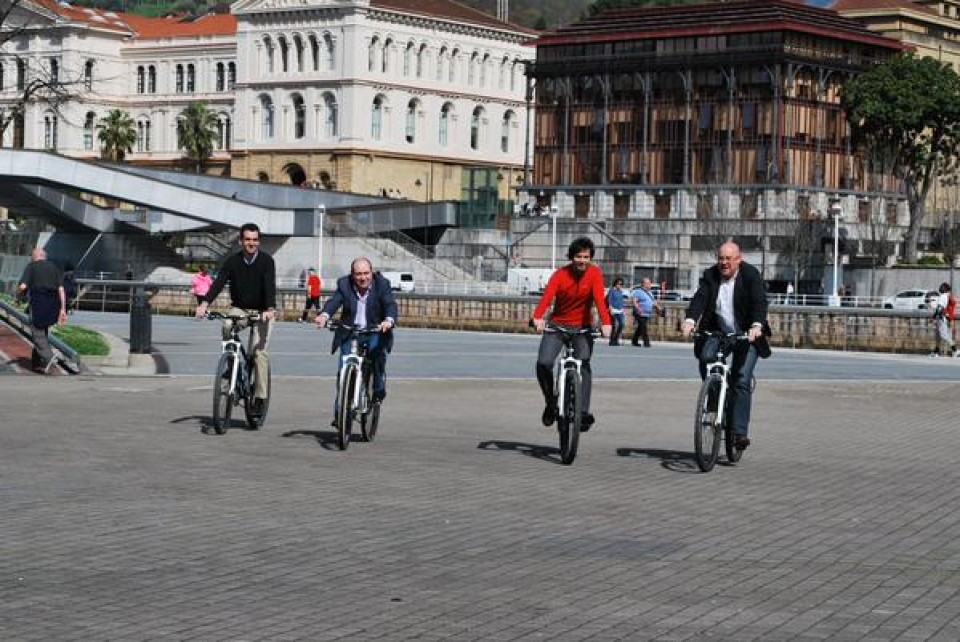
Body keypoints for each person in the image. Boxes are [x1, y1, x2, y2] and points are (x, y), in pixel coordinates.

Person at [681, 240, 771, 450]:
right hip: (719, 331)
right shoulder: (710, 275)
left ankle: (739, 433)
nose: (723, 263)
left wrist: (757, 325)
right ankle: (714, 395)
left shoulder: (750, 275)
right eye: (721, 258)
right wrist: (690, 320)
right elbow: (699, 299)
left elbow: (759, 301)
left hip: (747, 334)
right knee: (705, 357)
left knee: (741, 379)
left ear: (739, 260)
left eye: (728, 259)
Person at [195, 223, 277, 415]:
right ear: (241, 241)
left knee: (259, 354)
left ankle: (259, 397)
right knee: (226, 324)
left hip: (263, 311)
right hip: (240, 308)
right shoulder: (233, 261)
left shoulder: (266, 261)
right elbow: (218, 283)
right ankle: (231, 362)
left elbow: (270, 286)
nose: (251, 243)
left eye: (255, 239)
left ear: (259, 241)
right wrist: (205, 304)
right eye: (247, 239)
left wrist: (270, 309)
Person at [532, 237, 612, 432]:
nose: (582, 261)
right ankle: (550, 402)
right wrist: (538, 317)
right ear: (571, 257)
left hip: (582, 327)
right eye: (578, 256)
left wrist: (607, 323)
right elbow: (547, 297)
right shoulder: (560, 275)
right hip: (558, 326)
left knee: (583, 362)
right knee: (544, 363)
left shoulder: (595, 274)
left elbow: (599, 300)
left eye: (586, 257)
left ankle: (583, 412)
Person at [316, 258, 398, 421]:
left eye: (366, 273)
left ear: (372, 272)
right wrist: (324, 316)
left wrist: (388, 320)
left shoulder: (382, 284)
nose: (363, 278)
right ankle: (341, 416)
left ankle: (378, 391)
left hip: (375, 330)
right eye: (358, 274)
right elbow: (334, 302)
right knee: (343, 372)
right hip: (350, 331)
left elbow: (390, 304)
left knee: (377, 359)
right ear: (352, 274)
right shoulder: (344, 284)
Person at [18, 248, 68, 373]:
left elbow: (23, 286)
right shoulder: (55, 267)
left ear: (35, 256)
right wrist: (63, 309)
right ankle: (37, 363)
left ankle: (49, 357)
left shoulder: (32, 266)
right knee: (43, 331)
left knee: (37, 334)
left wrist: (19, 295)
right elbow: (61, 289)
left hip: (38, 303)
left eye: (32, 256)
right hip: (52, 305)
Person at [930, 282, 957, 357]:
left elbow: (940, 308)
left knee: (943, 335)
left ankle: (954, 349)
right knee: (938, 336)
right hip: (941, 317)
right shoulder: (944, 296)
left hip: (941, 318)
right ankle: (936, 351)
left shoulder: (943, 297)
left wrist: (935, 317)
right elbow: (939, 308)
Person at [630, 277, 659, 348]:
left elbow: (653, 302)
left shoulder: (650, 293)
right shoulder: (638, 292)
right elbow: (634, 301)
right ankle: (646, 342)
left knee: (640, 327)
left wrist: (658, 308)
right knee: (643, 327)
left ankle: (634, 340)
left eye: (649, 283)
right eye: (648, 283)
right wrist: (638, 308)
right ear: (643, 284)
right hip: (640, 313)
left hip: (647, 314)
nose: (649, 285)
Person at [606, 278, 626, 346]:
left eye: (621, 284)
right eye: (619, 284)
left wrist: (623, 309)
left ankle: (616, 339)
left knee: (622, 324)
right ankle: (612, 341)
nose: (620, 285)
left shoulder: (620, 291)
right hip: (613, 310)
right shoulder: (612, 290)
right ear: (615, 284)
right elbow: (609, 300)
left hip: (620, 310)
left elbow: (621, 301)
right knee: (614, 326)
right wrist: (610, 309)